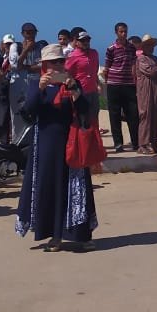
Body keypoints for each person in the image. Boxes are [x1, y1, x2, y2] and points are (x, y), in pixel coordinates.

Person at [15, 44, 96, 251]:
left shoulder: (72, 83)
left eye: (61, 61)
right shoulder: (36, 84)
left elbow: (85, 110)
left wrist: (75, 91)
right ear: (45, 64)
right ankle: (54, 236)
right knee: (49, 186)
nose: (59, 65)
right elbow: (28, 111)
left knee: (76, 188)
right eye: (54, 62)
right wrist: (40, 89)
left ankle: (81, 235)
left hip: (71, 142)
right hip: (46, 143)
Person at [101, 22, 140, 153]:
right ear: (116, 33)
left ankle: (136, 143)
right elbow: (107, 67)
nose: (123, 34)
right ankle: (118, 144)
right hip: (114, 85)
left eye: (125, 31)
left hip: (129, 85)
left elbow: (134, 64)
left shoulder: (131, 47)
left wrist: (135, 81)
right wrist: (108, 81)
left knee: (133, 115)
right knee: (115, 115)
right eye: (121, 31)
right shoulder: (111, 48)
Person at [9, 22, 42, 143]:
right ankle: (17, 143)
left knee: (34, 114)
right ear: (22, 34)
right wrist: (26, 50)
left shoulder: (40, 47)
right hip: (18, 86)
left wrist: (26, 67)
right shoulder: (15, 46)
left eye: (33, 32)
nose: (30, 35)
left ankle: (33, 142)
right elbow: (15, 66)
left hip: (35, 84)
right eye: (28, 32)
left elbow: (42, 66)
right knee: (17, 115)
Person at [136, 35, 157, 154]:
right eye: (148, 45)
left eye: (151, 45)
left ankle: (154, 143)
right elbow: (151, 71)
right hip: (145, 91)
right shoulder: (141, 59)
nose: (151, 48)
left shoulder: (156, 59)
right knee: (146, 115)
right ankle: (143, 144)